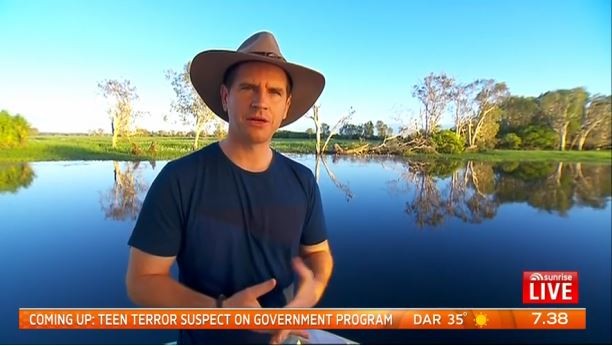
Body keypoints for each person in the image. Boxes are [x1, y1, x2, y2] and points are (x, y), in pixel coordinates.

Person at [126, 31, 334, 344]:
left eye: (274, 92)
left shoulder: (302, 181)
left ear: (287, 105)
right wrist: (220, 310)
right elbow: (142, 280)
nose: (261, 101)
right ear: (226, 97)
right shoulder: (179, 179)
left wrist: (310, 292)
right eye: (248, 87)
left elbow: (319, 253)